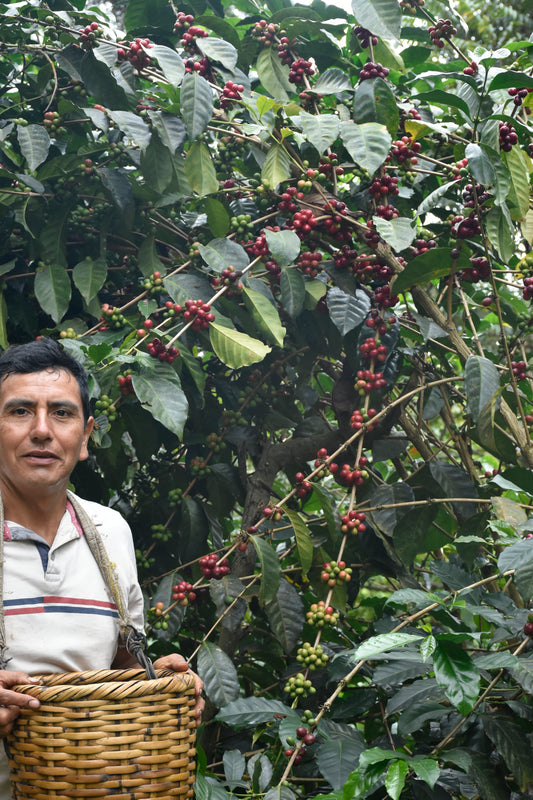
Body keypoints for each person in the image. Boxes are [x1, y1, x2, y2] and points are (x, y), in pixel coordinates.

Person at [0, 338, 203, 797]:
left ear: (86, 437)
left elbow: (118, 663)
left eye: (62, 413)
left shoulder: (110, 532)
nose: (42, 430)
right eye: (19, 411)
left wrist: (157, 680)